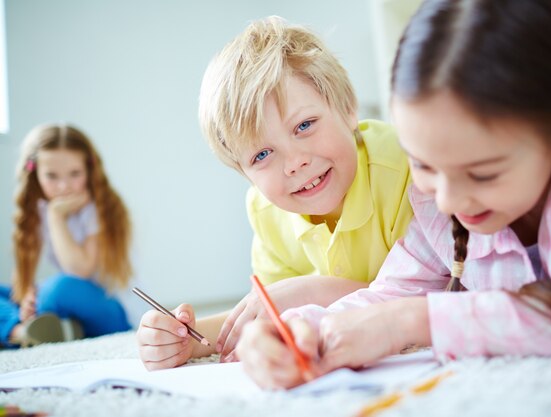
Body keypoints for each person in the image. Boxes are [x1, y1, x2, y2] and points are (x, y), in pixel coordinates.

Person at [236, 0, 551, 389]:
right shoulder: (436, 190)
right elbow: (395, 290)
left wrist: (416, 319)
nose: (447, 202)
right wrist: (297, 330)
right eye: (423, 165)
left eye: (483, 173)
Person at [136, 16, 413, 369]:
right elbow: (269, 313)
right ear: (244, 173)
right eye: (262, 154)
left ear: (347, 110)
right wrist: (187, 339)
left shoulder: (405, 168)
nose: (294, 163)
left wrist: (310, 292)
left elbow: (428, 297)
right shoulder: (265, 210)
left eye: (304, 126)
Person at [0, 123, 133, 348]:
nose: (64, 186)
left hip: (113, 309)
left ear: (89, 170)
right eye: (51, 176)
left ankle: (20, 331)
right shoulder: (38, 209)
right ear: (35, 175)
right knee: (14, 292)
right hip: (66, 300)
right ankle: (20, 330)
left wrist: (55, 216)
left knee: (59, 288)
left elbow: (79, 270)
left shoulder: (99, 207)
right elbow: (22, 282)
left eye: (75, 174)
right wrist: (28, 298)